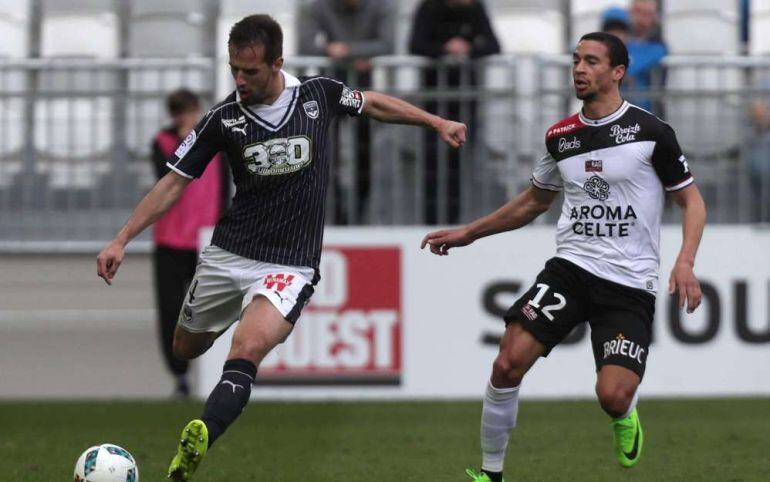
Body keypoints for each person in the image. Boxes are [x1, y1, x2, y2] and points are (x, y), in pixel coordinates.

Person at [96, 14, 466, 482]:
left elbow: (372, 103)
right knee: (186, 347)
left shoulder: (317, 96)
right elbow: (174, 183)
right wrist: (121, 238)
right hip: (229, 255)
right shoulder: (223, 119)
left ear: (277, 63)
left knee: (248, 346)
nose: (240, 80)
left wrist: (436, 122)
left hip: (289, 264)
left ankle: (200, 437)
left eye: (250, 71)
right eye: (234, 69)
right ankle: (235, 309)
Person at [422, 32, 706, 481]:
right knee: (506, 362)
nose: (579, 69)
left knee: (611, 395)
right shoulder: (562, 137)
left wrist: (685, 261)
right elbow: (534, 202)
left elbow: (692, 201)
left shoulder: (651, 132)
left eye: (592, 61)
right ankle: (490, 474)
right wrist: (469, 233)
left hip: (628, 282)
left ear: (617, 73)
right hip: (571, 268)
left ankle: (625, 412)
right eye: (576, 60)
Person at [150, 89, 225, 398]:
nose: (182, 117)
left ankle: (218, 374)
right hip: (169, 241)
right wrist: (186, 136)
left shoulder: (217, 141)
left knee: (214, 311)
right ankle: (180, 376)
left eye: (186, 111)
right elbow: (166, 175)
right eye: (177, 112)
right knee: (170, 311)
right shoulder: (162, 142)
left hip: (206, 241)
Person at [298, 0, 396, 222]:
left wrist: (346, 51)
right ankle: (334, 212)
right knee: (326, 153)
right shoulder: (318, 6)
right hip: (329, 91)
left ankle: (359, 212)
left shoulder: (381, 6)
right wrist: (336, 52)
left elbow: (389, 44)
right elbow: (305, 44)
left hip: (364, 91)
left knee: (365, 154)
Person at [409, 0, 500, 223]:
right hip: (433, 103)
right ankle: (430, 222)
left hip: (464, 100)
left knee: (458, 164)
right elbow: (415, 45)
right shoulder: (429, 7)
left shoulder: (475, 8)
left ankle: (453, 222)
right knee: (432, 164)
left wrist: (469, 49)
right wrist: (444, 50)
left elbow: (493, 45)